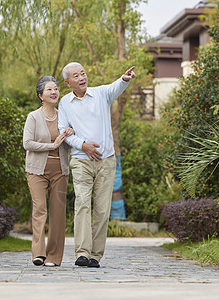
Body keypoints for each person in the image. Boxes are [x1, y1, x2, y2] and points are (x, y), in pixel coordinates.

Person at [58, 63, 135, 268]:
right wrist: (83, 145)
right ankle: (82, 252)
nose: (82, 77)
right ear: (68, 82)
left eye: (83, 73)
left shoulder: (101, 94)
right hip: (81, 160)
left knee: (102, 209)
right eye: (76, 75)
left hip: (106, 160)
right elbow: (63, 132)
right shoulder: (65, 103)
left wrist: (124, 79)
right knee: (82, 204)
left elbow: (115, 87)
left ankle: (95, 256)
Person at [23, 76, 74, 267]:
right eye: (49, 90)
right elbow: (27, 143)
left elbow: (68, 145)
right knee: (39, 210)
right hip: (37, 170)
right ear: (40, 95)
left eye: (56, 89)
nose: (54, 92)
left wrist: (71, 134)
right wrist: (51, 145)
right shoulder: (33, 117)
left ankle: (53, 257)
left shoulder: (65, 116)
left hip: (60, 170)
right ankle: (38, 254)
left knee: (58, 212)